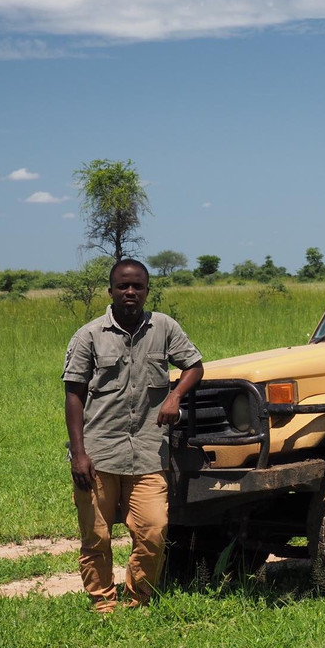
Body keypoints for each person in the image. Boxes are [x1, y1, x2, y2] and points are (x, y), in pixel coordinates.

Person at [62, 258, 204, 613]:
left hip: (148, 452)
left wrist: (175, 396)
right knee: (96, 535)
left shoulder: (164, 327)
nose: (130, 292)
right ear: (110, 291)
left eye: (137, 286)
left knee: (154, 530)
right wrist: (79, 454)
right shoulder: (89, 335)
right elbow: (73, 395)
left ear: (147, 291)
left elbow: (194, 366)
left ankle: (138, 599)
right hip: (99, 453)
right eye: (123, 286)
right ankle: (102, 602)